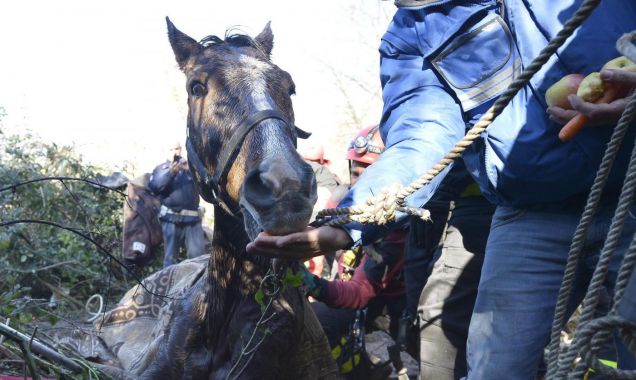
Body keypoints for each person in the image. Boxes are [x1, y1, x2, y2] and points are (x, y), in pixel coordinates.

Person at [248, 2, 636, 378]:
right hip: (531, 215)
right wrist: (350, 224)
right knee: (494, 368)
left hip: (630, 185)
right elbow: (422, 136)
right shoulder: (410, 36)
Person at [148, 142, 205, 268]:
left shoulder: (191, 168)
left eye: (178, 149)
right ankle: (169, 286)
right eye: (172, 149)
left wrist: (190, 169)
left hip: (193, 220)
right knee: (170, 260)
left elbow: (205, 185)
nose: (175, 152)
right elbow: (154, 187)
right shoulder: (160, 169)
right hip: (170, 220)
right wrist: (171, 173)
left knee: (199, 258)